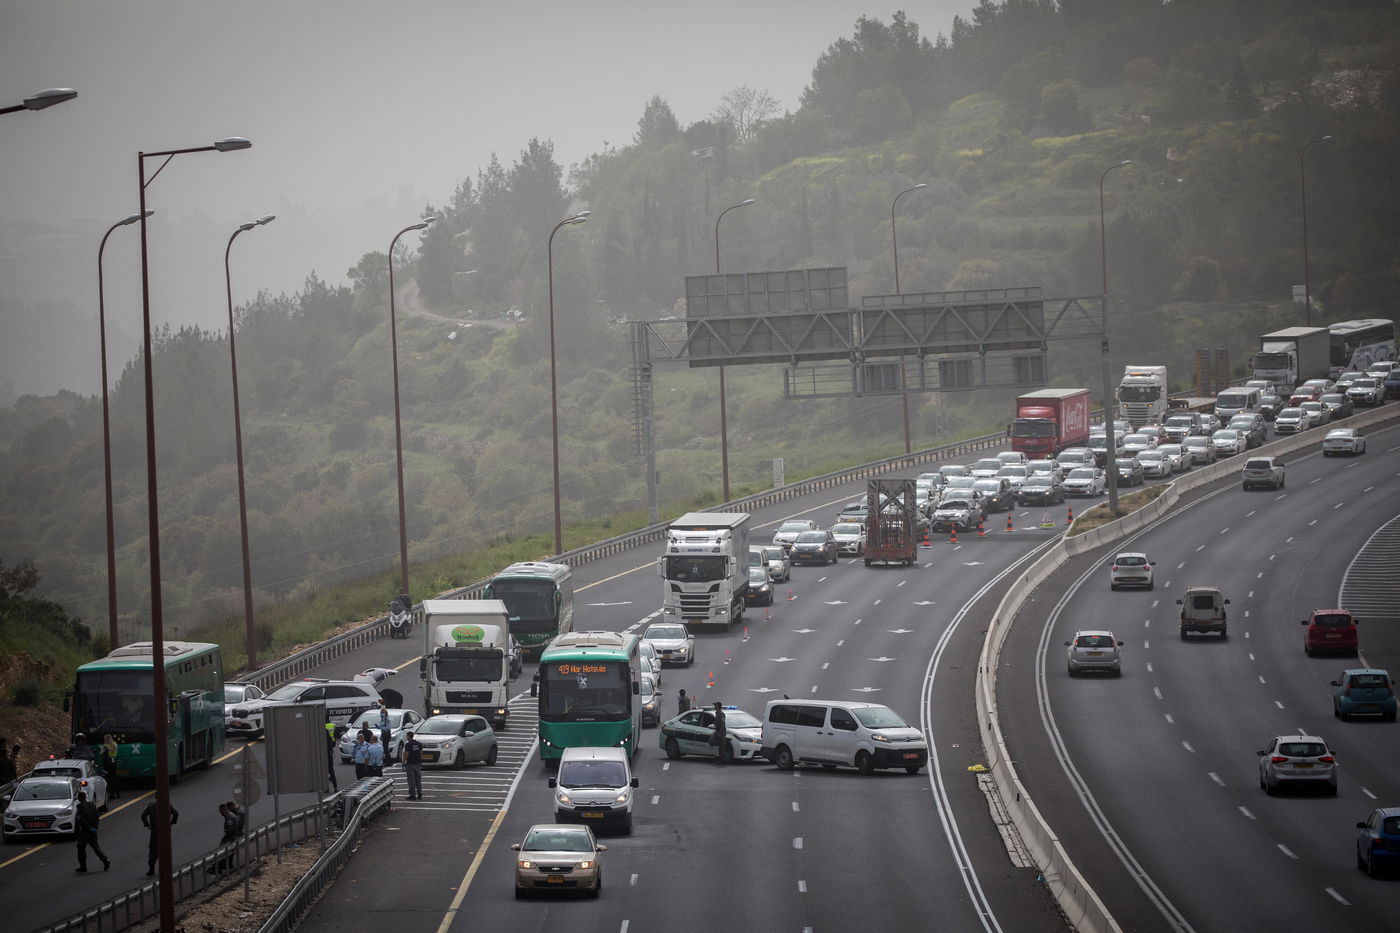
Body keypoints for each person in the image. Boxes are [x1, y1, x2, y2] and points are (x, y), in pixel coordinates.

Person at [141, 798, 179, 876]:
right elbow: (176, 813)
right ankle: (166, 866)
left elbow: (143, 815)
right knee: (165, 849)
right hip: (165, 831)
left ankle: (151, 868)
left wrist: (147, 825)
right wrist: (172, 823)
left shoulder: (151, 806)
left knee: (153, 849)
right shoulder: (167, 806)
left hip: (154, 830)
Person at [74, 790, 110, 873]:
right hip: (93, 829)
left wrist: (89, 827)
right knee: (95, 846)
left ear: (79, 798)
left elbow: (83, 819)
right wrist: (95, 828)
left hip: (85, 830)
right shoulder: (92, 804)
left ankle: (83, 866)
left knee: (81, 847)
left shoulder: (80, 806)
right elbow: (97, 816)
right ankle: (104, 859)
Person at [401, 730, 423, 800]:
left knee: (411, 780)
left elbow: (406, 754)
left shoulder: (408, 745)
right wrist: (420, 761)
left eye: (406, 736)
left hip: (410, 764)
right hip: (417, 764)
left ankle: (412, 795)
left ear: (408, 736)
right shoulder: (419, 744)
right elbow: (421, 753)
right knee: (418, 780)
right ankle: (419, 793)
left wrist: (403, 762)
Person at [100, 734, 120, 800]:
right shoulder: (115, 744)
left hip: (108, 764)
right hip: (114, 763)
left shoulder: (106, 746)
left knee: (109, 780)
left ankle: (112, 795)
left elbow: (103, 755)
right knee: (115, 779)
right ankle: (118, 794)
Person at [324, 721, 339, 791]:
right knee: (331, 771)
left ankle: (326, 788)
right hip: (329, 754)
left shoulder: (322, 732)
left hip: (325, 755)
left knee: (325, 772)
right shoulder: (328, 736)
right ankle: (335, 787)